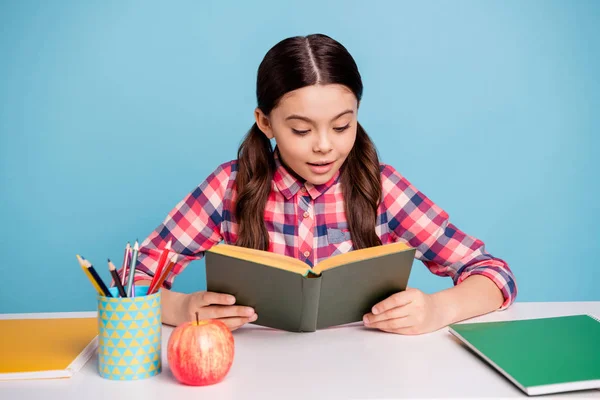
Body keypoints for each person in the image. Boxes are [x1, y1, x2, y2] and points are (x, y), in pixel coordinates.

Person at [131, 33, 517, 335]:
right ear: (265, 123)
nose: (324, 146)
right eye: (300, 129)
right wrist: (182, 308)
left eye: (341, 126)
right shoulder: (228, 186)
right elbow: (131, 282)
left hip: (367, 373)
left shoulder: (381, 187)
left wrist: (437, 309)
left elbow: (493, 273)